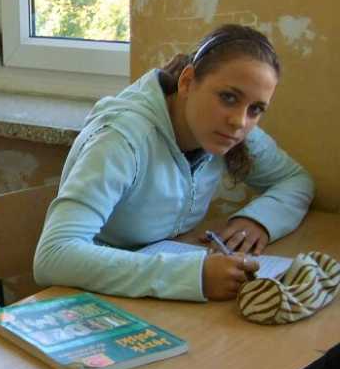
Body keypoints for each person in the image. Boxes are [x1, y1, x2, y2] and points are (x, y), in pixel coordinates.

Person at [34, 24, 314, 302]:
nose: (239, 121)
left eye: (256, 109)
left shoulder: (229, 132)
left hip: (155, 295)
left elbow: (296, 181)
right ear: (187, 82)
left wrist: (258, 221)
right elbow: (54, 256)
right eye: (228, 97)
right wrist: (192, 276)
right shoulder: (121, 139)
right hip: (91, 297)